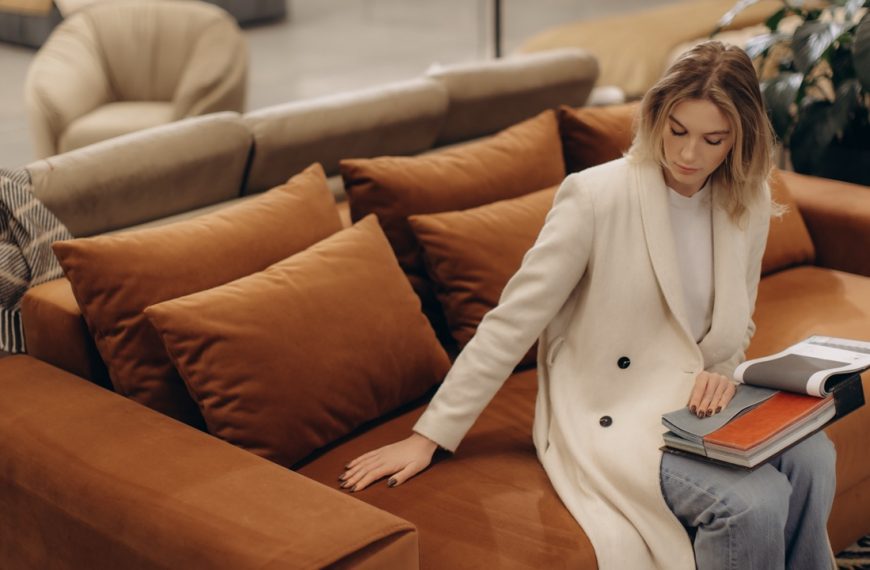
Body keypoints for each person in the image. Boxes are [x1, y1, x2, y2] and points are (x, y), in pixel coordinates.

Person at [339, 41, 837, 570]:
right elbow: (511, 322)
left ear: (740, 139)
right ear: (655, 117)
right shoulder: (595, 197)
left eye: (713, 139)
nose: (689, 155)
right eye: (677, 131)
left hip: (702, 399)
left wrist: (719, 367)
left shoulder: (748, 197)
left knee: (813, 457)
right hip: (616, 411)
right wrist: (428, 436)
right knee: (752, 504)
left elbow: (740, 317)